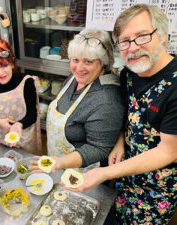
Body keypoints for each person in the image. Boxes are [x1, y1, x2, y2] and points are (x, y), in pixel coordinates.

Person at [70, 4, 177, 224]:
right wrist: (119, 141)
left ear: (163, 35)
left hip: (155, 189)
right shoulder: (130, 73)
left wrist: (105, 173)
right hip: (124, 172)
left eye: (142, 36)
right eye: (125, 41)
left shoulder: (174, 86)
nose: (133, 47)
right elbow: (128, 114)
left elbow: (168, 152)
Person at [33, 29, 124, 172]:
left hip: (83, 171)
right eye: (75, 59)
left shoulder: (107, 100)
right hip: (58, 161)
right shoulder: (76, 77)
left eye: (88, 61)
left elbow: (99, 148)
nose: (79, 68)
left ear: (103, 62)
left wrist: (61, 162)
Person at [0, 33, 41, 154]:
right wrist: (0, 122)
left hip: (24, 139)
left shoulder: (27, 82)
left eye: (5, 65)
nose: (1, 73)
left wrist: (19, 125)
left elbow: (32, 115)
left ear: (11, 63)